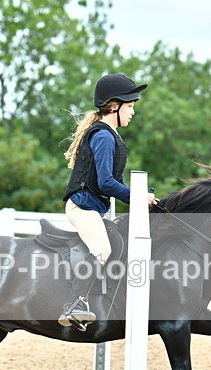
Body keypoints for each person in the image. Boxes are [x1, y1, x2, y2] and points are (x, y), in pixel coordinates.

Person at [58, 73, 157, 329]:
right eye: (131, 106)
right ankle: (74, 304)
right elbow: (106, 184)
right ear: (114, 106)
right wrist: (137, 197)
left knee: (115, 242)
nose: (133, 112)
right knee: (102, 248)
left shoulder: (109, 134)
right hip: (82, 206)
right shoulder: (103, 136)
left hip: (91, 206)